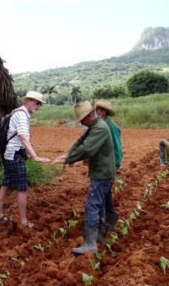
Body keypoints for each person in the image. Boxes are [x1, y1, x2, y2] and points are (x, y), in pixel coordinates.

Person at [55, 101, 115, 254]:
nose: (81, 122)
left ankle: (90, 243)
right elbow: (80, 142)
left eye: (82, 119)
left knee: (92, 205)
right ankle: (100, 235)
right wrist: (68, 155)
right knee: (100, 204)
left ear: (89, 116)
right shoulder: (95, 126)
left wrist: (70, 159)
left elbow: (87, 149)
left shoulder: (100, 128)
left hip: (102, 173)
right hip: (102, 172)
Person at [0, 91, 50, 229]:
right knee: (22, 188)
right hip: (14, 156)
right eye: (37, 103)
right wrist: (35, 156)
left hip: (9, 154)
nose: (38, 106)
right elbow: (23, 137)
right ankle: (24, 222)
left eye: (40, 104)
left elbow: (19, 137)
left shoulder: (17, 112)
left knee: (6, 184)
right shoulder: (22, 115)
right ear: (28, 101)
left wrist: (28, 153)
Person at [94, 100, 122, 242]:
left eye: (100, 110)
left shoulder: (111, 127)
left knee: (99, 196)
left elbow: (117, 149)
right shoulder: (101, 125)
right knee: (105, 194)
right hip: (103, 166)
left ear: (105, 112)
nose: (97, 112)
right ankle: (110, 218)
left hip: (108, 167)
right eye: (96, 110)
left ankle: (103, 225)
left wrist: (114, 167)